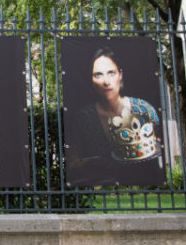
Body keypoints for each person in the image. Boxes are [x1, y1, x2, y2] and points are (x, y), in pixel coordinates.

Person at [68, 47, 162, 185]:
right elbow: (74, 161)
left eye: (111, 73)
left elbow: (159, 148)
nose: (106, 81)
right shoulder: (83, 118)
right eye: (98, 75)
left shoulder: (144, 109)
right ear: (91, 79)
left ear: (120, 74)